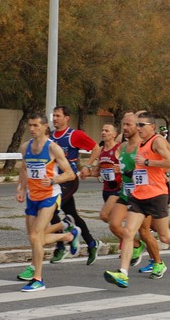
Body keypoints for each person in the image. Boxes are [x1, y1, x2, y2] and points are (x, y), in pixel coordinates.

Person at [104, 112, 170, 288]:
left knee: (165, 236)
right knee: (129, 233)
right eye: (137, 125)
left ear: (152, 127)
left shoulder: (157, 141)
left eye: (141, 125)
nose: (138, 128)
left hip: (156, 195)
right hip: (138, 195)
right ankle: (123, 273)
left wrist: (147, 163)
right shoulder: (140, 143)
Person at [16, 113, 80, 291]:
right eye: (30, 125)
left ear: (45, 127)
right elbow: (24, 168)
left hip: (50, 195)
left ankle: (38, 278)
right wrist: (21, 188)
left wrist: (53, 180)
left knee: (36, 235)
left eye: (36, 125)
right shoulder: (24, 148)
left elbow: (70, 174)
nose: (32, 129)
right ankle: (68, 234)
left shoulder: (53, 148)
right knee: (34, 237)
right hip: (32, 196)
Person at [49, 106, 102, 265]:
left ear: (67, 118)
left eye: (58, 116)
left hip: (69, 180)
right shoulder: (50, 136)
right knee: (72, 214)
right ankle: (92, 243)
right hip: (56, 181)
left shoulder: (74, 135)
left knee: (51, 209)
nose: (55, 119)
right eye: (54, 116)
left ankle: (61, 246)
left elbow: (96, 148)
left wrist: (88, 166)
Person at [89, 124, 122, 223]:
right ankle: (128, 232)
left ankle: (131, 226)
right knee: (112, 219)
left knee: (104, 215)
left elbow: (128, 166)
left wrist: (120, 169)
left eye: (107, 131)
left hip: (118, 189)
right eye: (102, 130)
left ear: (114, 134)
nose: (103, 132)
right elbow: (98, 172)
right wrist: (87, 173)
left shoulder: (118, 149)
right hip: (106, 189)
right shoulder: (101, 150)